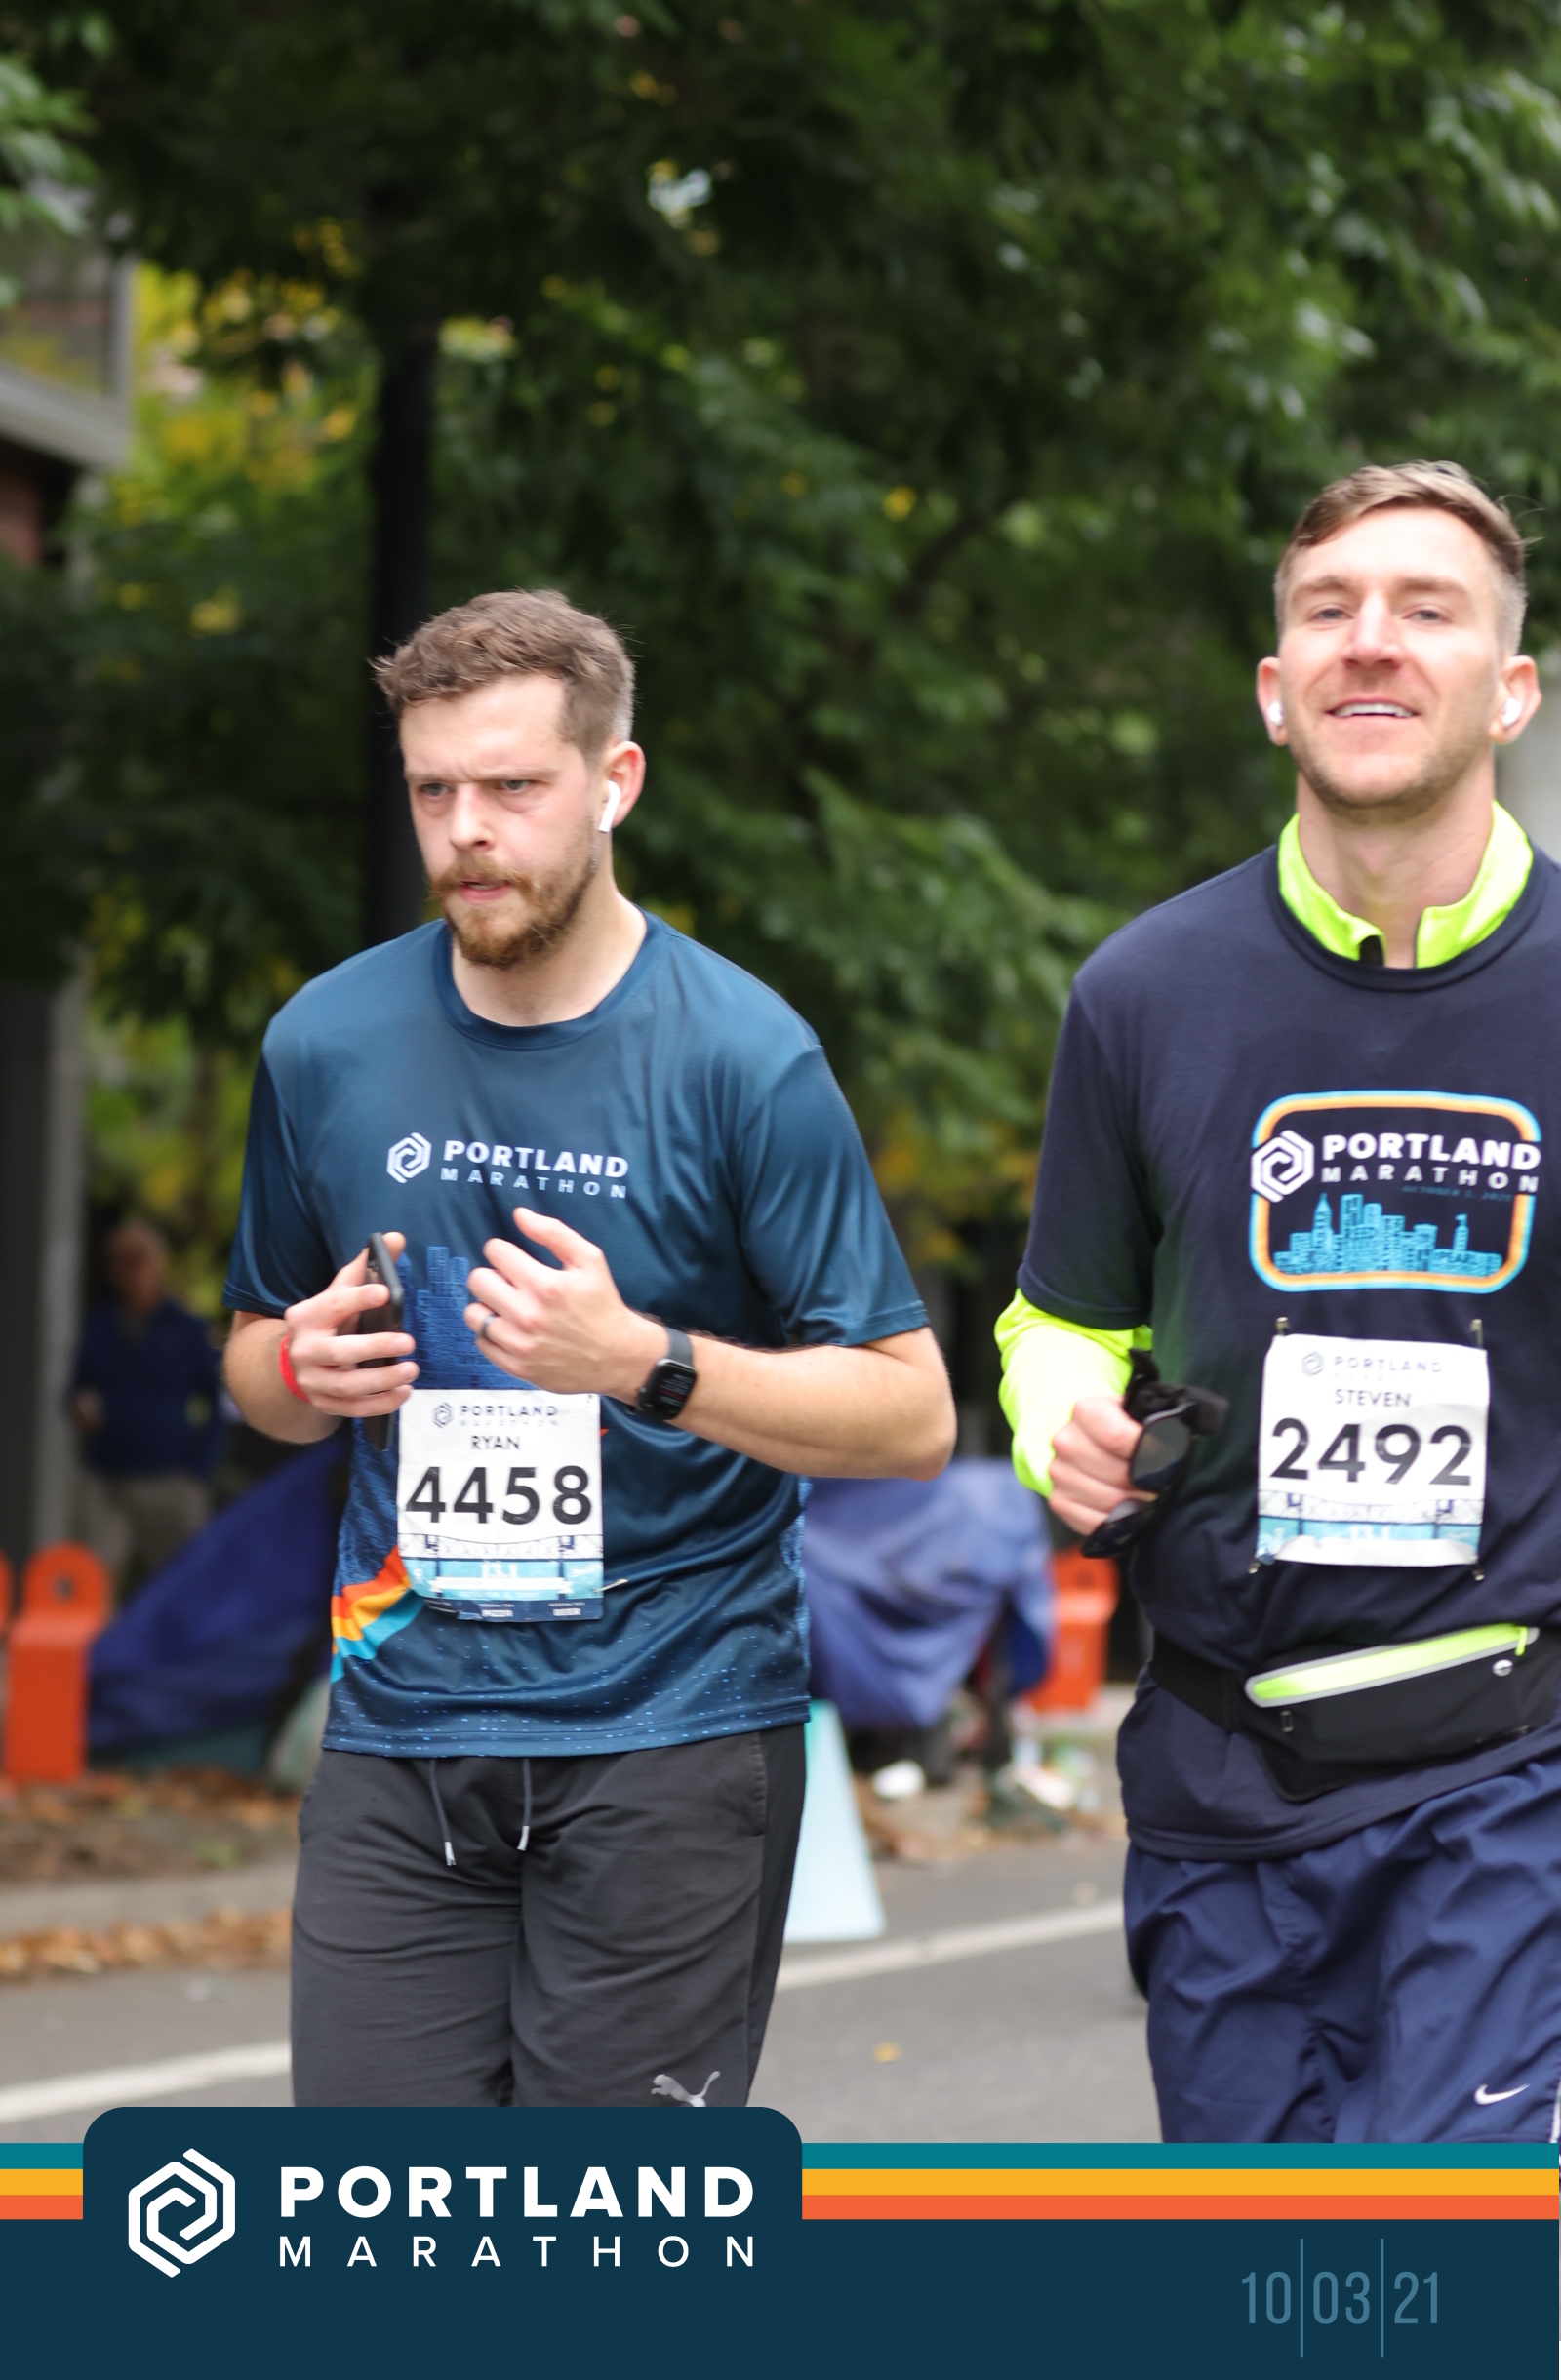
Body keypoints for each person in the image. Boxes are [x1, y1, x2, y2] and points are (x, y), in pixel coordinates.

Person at [222, 587, 955, 2109]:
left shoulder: (746, 1060)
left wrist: (643, 1362)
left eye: (512, 787)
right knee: (377, 2221)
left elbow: (911, 1417)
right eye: (433, 790)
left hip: (673, 1728)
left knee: (603, 2234)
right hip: (404, 1725)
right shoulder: (324, 1043)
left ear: (615, 782)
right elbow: (252, 1366)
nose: (466, 833)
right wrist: (296, 1372)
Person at [998, 461, 1561, 2143]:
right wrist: (1059, 1421)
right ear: (1273, 686)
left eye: (1427, 610)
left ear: (1512, 690)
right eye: (1329, 611)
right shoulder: (1143, 990)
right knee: (1257, 2265)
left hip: (1513, 1769)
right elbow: (1061, 1316)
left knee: (1445, 2248)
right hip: (1220, 1773)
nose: (1369, 642)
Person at [72, 1219, 221, 1592]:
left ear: (158, 1264)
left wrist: (199, 1469)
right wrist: (81, 1408)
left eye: (138, 1260)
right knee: (94, 1582)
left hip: (170, 1477)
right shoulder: (99, 1325)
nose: (130, 1271)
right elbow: (78, 1387)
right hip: (108, 1476)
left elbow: (215, 1400)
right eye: (120, 1261)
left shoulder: (186, 1328)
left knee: (181, 1586)